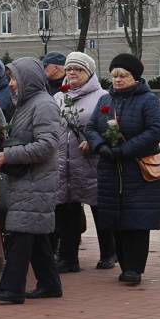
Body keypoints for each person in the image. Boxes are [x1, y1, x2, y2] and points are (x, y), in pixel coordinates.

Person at [84, 54, 160, 286]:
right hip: (110, 169)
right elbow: (91, 127)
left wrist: (124, 149)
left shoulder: (148, 100)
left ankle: (134, 268)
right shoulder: (105, 100)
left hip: (138, 169)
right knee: (115, 218)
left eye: (123, 76)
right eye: (114, 75)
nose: (118, 80)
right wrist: (100, 146)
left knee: (137, 219)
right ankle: (123, 262)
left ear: (135, 77)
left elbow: (154, 131)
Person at [0, 58, 63, 304]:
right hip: (28, 180)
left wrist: (9, 155)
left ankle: (12, 288)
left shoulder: (43, 105)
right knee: (35, 233)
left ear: (26, 79)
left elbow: (47, 145)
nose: (10, 84)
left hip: (36, 181)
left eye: (13, 78)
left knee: (20, 232)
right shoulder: (27, 104)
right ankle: (50, 284)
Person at [53, 51, 115, 272]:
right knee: (67, 209)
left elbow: (111, 127)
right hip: (65, 163)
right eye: (69, 69)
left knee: (100, 208)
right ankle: (68, 259)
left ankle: (109, 252)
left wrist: (93, 141)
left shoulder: (102, 96)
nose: (72, 73)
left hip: (92, 162)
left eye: (78, 69)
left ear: (89, 73)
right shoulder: (59, 97)